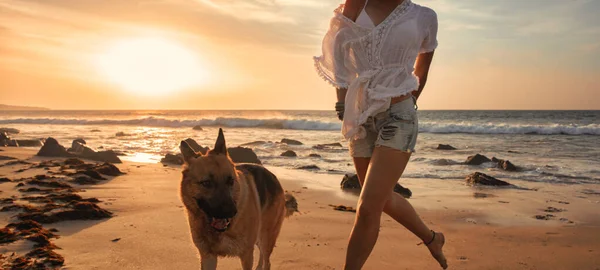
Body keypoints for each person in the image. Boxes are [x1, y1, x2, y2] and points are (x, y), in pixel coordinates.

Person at [314, 0, 447, 269]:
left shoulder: (424, 17)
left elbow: (423, 66)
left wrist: (406, 100)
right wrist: (342, 101)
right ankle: (432, 238)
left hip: (399, 116)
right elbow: (337, 56)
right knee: (380, 198)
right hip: (361, 117)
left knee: (367, 207)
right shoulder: (351, 10)